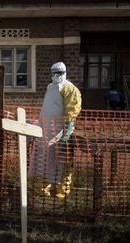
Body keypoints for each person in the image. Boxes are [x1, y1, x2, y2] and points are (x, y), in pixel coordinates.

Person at [29, 62, 82, 199]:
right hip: (45, 129)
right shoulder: (50, 87)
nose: (56, 76)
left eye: (59, 73)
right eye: (54, 73)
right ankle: (43, 188)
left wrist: (68, 127)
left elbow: (72, 109)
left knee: (60, 160)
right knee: (43, 159)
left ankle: (61, 189)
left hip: (60, 130)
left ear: (64, 73)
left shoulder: (70, 89)